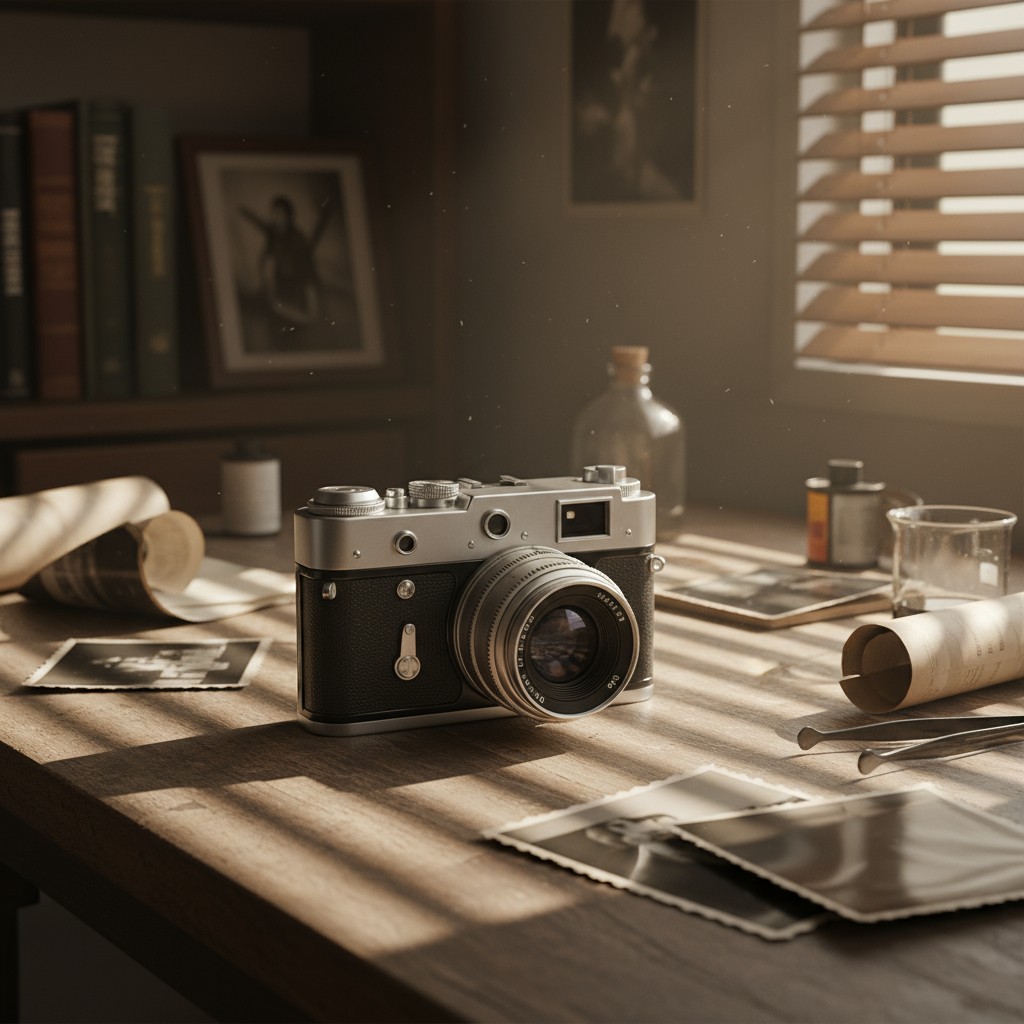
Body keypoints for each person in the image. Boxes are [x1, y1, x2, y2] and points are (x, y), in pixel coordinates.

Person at [238, 194, 334, 346]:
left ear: (289, 215)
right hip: (275, 284)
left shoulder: (297, 240)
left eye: (280, 214)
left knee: (291, 329)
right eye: (274, 214)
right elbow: (261, 224)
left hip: (292, 287)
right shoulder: (273, 232)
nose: (276, 218)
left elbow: (306, 268)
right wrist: (246, 213)